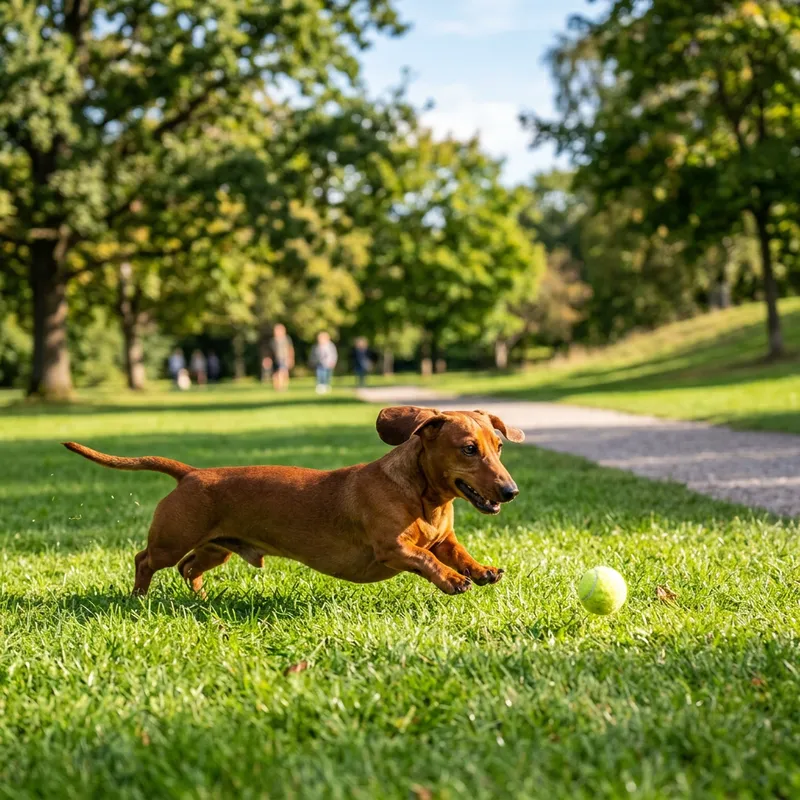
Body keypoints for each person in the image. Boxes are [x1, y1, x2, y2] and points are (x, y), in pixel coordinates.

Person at [270, 324, 294, 391]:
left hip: (284, 358)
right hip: (275, 359)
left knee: (283, 372)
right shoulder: (273, 340)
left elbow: (290, 349)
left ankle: (283, 387)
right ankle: (277, 387)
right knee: (275, 374)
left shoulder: (287, 339)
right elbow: (270, 352)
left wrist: (291, 358)